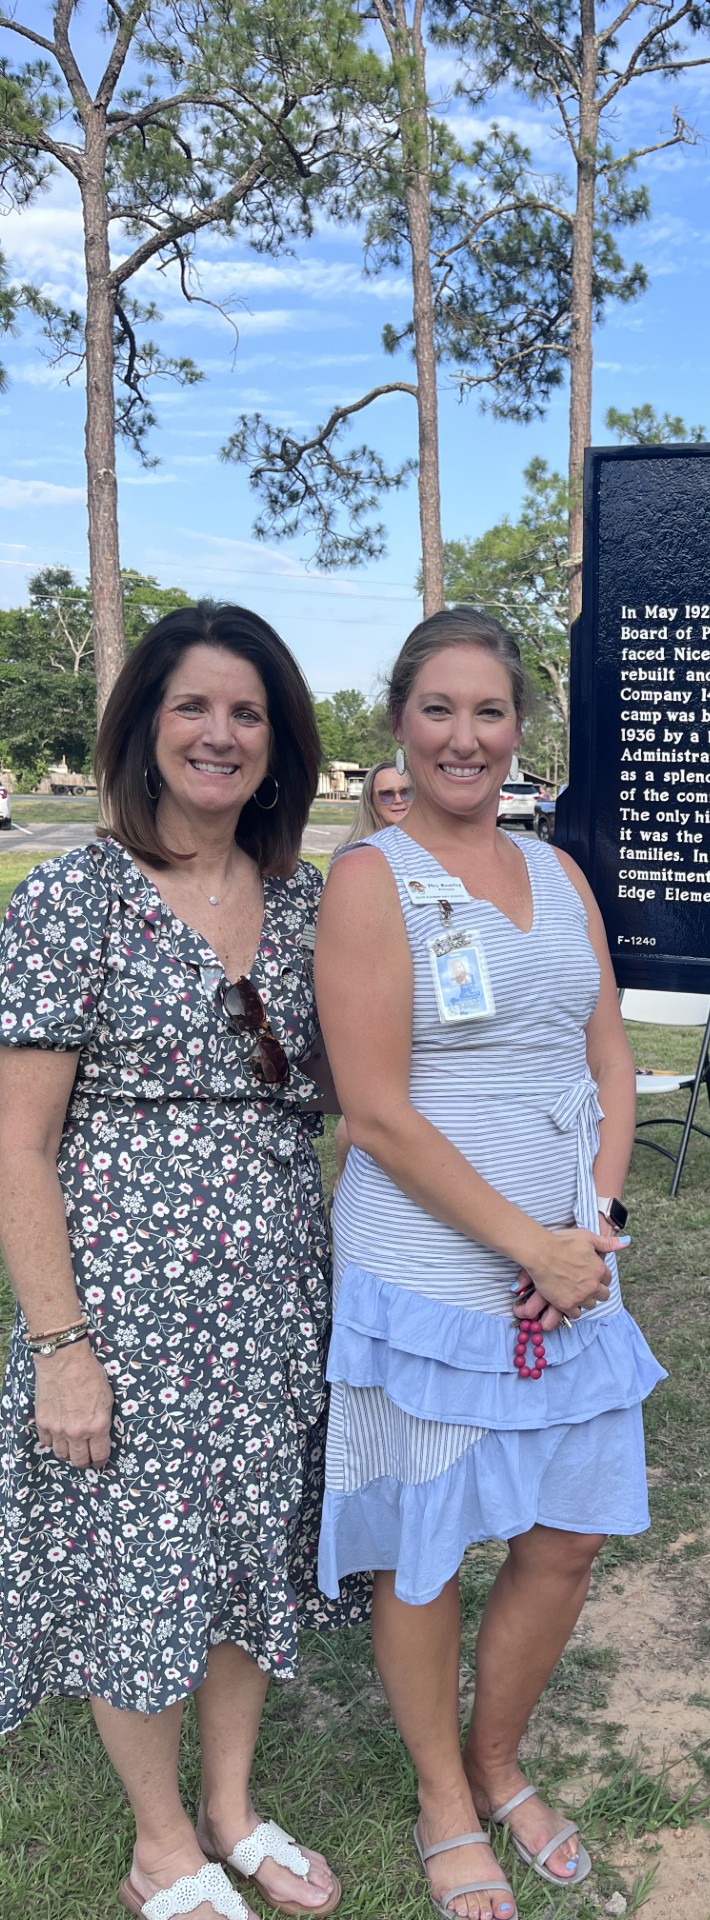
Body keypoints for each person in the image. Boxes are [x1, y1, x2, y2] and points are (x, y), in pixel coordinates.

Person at [0, 605, 368, 1920]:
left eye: (250, 712)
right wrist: (61, 1346)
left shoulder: (313, 903)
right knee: (138, 1565)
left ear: (280, 744)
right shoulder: (74, 897)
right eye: (194, 707)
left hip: (273, 1301)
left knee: (245, 1553)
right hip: (123, 1308)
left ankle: (233, 1804)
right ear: (146, 728)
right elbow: (18, 1144)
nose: (222, 733)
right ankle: (160, 1837)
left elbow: (383, 1087)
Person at [314, 607, 662, 1920]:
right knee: (431, 1542)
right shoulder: (373, 879)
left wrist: (596, 1225)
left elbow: (608, 1056)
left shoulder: (562, 872)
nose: (467, 736)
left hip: (573, 1251)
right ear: (401, 724)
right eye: (440, 710)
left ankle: (497, 1759)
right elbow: (378, 1108)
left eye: (491, 711)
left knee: (567, 1536)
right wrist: (524, 1244)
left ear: (522, 730)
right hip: (434, 1261)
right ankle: (441, 1799)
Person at [340, 757, 413, 843]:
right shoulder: (355, 852)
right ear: (370, 800)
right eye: (387, 794)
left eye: (406, 792)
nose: (398, 800)